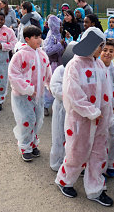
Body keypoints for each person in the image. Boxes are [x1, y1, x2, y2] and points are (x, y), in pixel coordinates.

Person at [55, 27, 114, 207]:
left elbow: (107, 93)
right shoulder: (74, 65)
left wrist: (106, 115)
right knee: (76, 153)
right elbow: (73, 94)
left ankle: (95, 189)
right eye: (99, 46)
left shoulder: (98, 65)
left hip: (99, 122)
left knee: (98, 154)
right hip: (80, 121)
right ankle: (64, 180)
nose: (101, 50)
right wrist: (91, 112)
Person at [8, 25, 52, 162]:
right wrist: (27, 88)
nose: (39, 40)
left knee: (37, 119)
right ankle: (25, 147)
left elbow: (48, 72)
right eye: (36, 37)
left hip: (38, 95)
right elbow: (13, 74)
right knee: (27, 120)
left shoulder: (42, 54)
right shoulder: (20, 55)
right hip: (22, 96)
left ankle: (33, 143)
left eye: (40, 37)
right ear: (27, 39)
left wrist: (51, 85)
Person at [49, 41, 76, 172]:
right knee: (59, 136)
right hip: (62, 108)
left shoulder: (80, 70)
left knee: (74, 138)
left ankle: (71, 162)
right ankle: (57, 162)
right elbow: (55, 88)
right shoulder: (60, 70)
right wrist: (72, 97)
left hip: (76, 110)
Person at [100, 38, 114, 179]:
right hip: (99, 113)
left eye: (111, 51)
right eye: (105, 50)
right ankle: (94, 166)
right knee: (98, 140)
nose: (108, 53)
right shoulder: (94, 68)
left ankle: (110, 164)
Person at [42, 15, 65, 116]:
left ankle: (56, 104)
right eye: (59, 25)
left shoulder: (58, 35)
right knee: (50, 86)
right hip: (52, 65)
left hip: (59, 63)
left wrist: (64, 44)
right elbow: (47, 51)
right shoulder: (51, 36)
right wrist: (59, 45)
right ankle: (45, 105)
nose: (61, 27)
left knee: (59, 84)